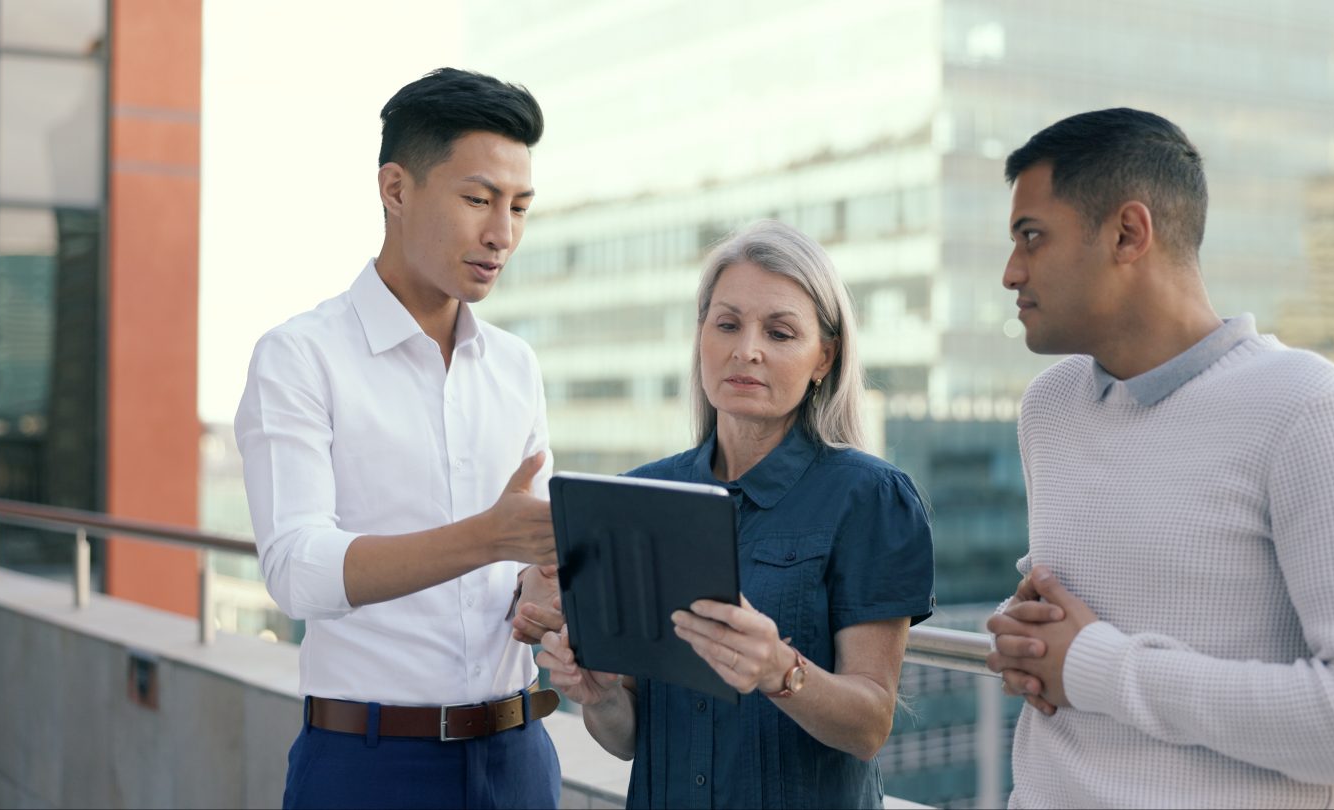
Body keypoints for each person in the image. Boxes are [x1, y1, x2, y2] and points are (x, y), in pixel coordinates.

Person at [982, 107, 1334, 807]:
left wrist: (1102, 669)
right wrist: (1032, 646)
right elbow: (1107, 622)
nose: (1012, 272)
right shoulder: (1050, 407)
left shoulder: (1317, 416)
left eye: (1032, 237)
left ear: (1128, 234)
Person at [235, 68, 566, 809]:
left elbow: (527, 554)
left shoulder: (516, 367)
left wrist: (541, 586)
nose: (501, 234)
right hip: (367, 766)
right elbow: (297, 570)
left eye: (519, 206)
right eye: (478, 199)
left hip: (520, 759)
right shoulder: (300, 355)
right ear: (395, 189)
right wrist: (487, 538)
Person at [529, 220, 935, 808]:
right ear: (701, 339)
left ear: (825, 357)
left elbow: (870, 726)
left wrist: (778, 669)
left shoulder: (870, 498)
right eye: (727, 324)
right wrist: (600, 696)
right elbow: (627, 740)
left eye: (779, 331)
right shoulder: (638, 498)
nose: (747, 349)